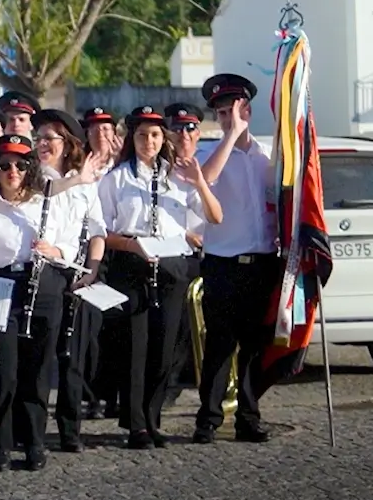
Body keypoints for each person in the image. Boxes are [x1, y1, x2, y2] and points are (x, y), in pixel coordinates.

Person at [99, 105, 222, 449]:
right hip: (132, 265)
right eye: (142, 135)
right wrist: (132, 245)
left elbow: (214, 216)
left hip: (171, 267)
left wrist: (198, 180)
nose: (149, 141)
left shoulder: (179, 177)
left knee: (164, 349)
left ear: (162, 138)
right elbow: (100, 230)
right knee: (135, 349)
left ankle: (153, 419)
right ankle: (136, 424)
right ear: (132, 138)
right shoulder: (117, 179)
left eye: (155, 135)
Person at [0, 134, 77, 472]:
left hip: (41, 284)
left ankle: (34, 442)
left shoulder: (48, 201)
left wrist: (55, 250)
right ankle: (0, 445)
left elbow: (71, 245)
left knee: (37, 369)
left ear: (30, 168)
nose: (12, 171)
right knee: (1, 371)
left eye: (20, 164)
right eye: (4, 165)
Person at [192, 74, 278, 445]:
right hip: (223, 263)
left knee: (255, 347)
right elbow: (205, 180)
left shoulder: (267, 156)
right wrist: (229, 136)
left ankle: (248, 415)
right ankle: (208, 419)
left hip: (261, 262)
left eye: (234, 112)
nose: (228, 119)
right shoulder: (208, 154)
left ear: (248, 110)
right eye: (222, 113)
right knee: (219, 345)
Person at [31, 109, 107, 453]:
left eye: (50, 138)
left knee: (74, 359)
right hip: (43, 273)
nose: (43, 144)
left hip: (75, 274)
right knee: (40, 357)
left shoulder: (84, 182)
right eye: (40, 137)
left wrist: (92, 268)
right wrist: (78, 180)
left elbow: (97, 230)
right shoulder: (30, 174)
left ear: (68, 143)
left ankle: (69, 429)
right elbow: (44, 190)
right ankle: (30, 431)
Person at [162, 102, 207, 405]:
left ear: (199, 133)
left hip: (215, 255)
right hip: (179, 256)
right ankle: (169, 388)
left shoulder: (210, 163)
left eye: (190, 128)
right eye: (177, 129)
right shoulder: (162, 171)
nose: (184, 134)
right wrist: (185, 235)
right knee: (176, 329)